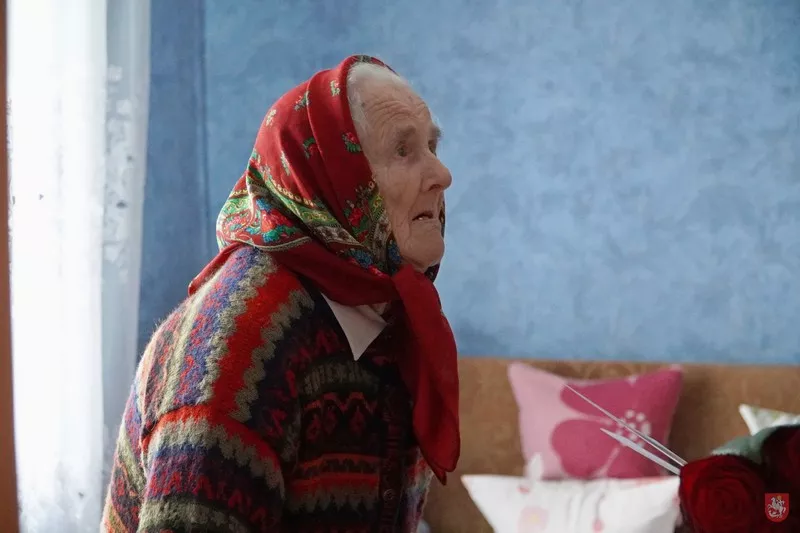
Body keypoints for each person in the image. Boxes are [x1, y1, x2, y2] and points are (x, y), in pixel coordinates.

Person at [102, 55, 460, 532]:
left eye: (432, 146)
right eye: (403, 150)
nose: (442, 174)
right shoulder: (237, 345)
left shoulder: (384, 313)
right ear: (332, 173)